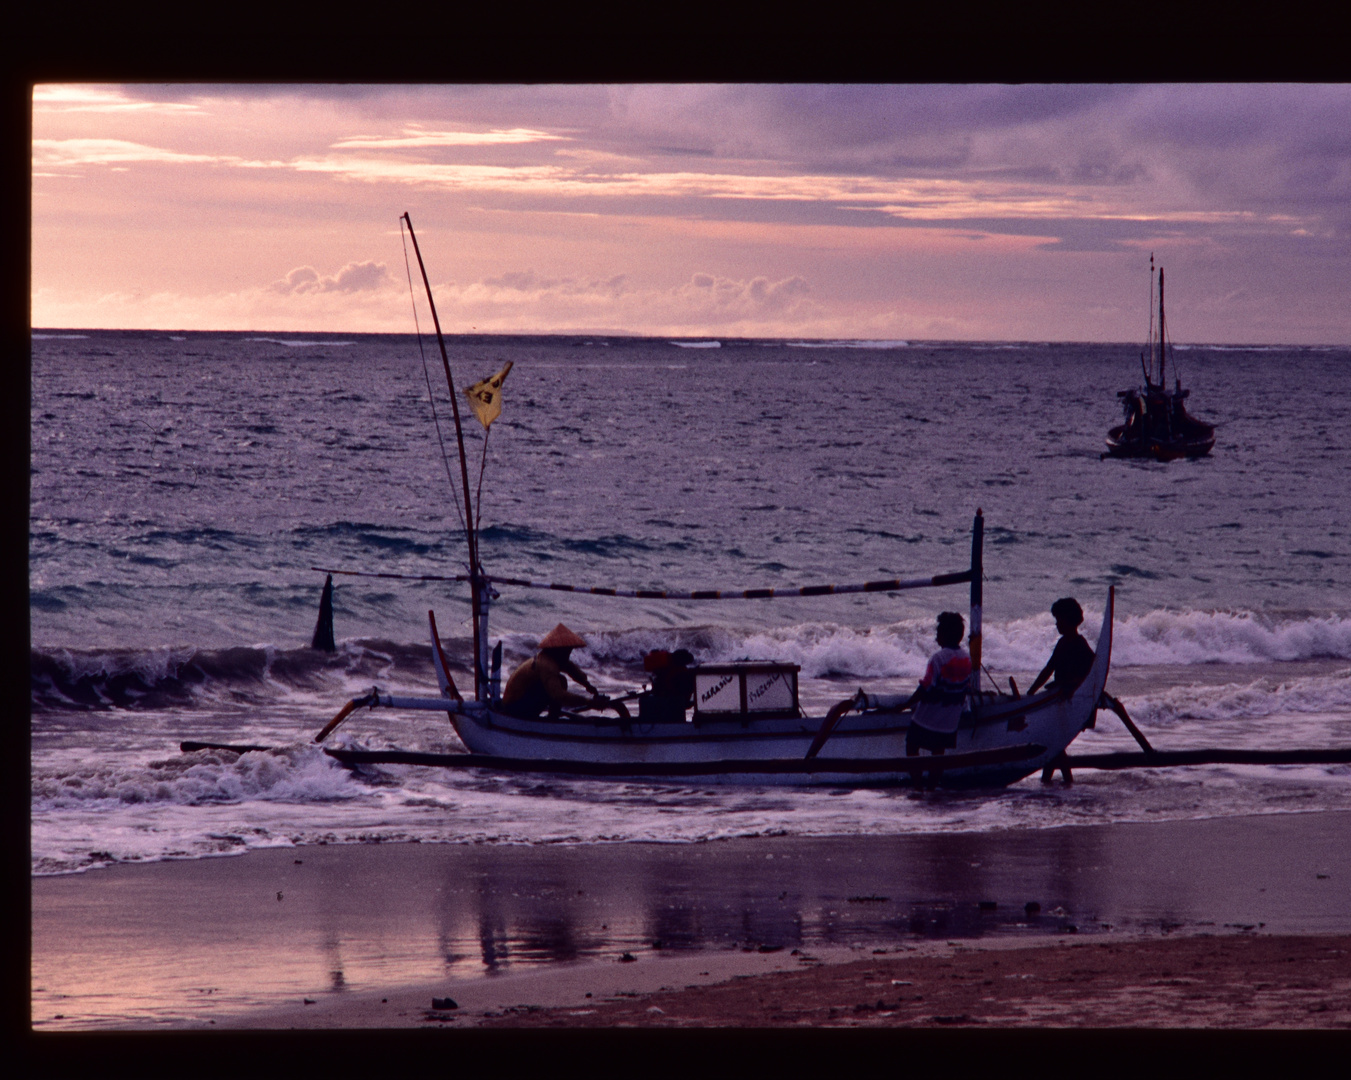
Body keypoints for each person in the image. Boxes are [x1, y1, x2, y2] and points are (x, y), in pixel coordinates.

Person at [500, 623, 626, 720]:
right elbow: (558, 695)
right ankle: (551, 720)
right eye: (568, 650)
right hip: (514, 708)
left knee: (561, 680)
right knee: (560, 682)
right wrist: (589, 702)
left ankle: (553, 717)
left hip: (518, 702)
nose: (569, 653)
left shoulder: (555, 658)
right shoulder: (547, 665)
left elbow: (572, 670)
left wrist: (588, 685)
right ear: (559, 650)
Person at [904, 611, 973, 759]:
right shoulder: (967, 659)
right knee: (938, 754)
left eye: (938, 632)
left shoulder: (938, 659)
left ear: (945, 635)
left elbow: (926, 687)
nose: (936, 636)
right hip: (949, 723)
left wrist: (905, 704)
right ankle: (932, 782)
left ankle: (918, 782)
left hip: (928, 719)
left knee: (911, 745)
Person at [1026, 598, 1096, 696]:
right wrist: (1031, 692)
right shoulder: (1062, 642)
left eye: (1059, 620)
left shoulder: (1080, 645)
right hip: (1061, 692)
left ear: (1069, 620)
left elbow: (1092, 671)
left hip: (1071, 694)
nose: (1057, 624)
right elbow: (1048, 670)